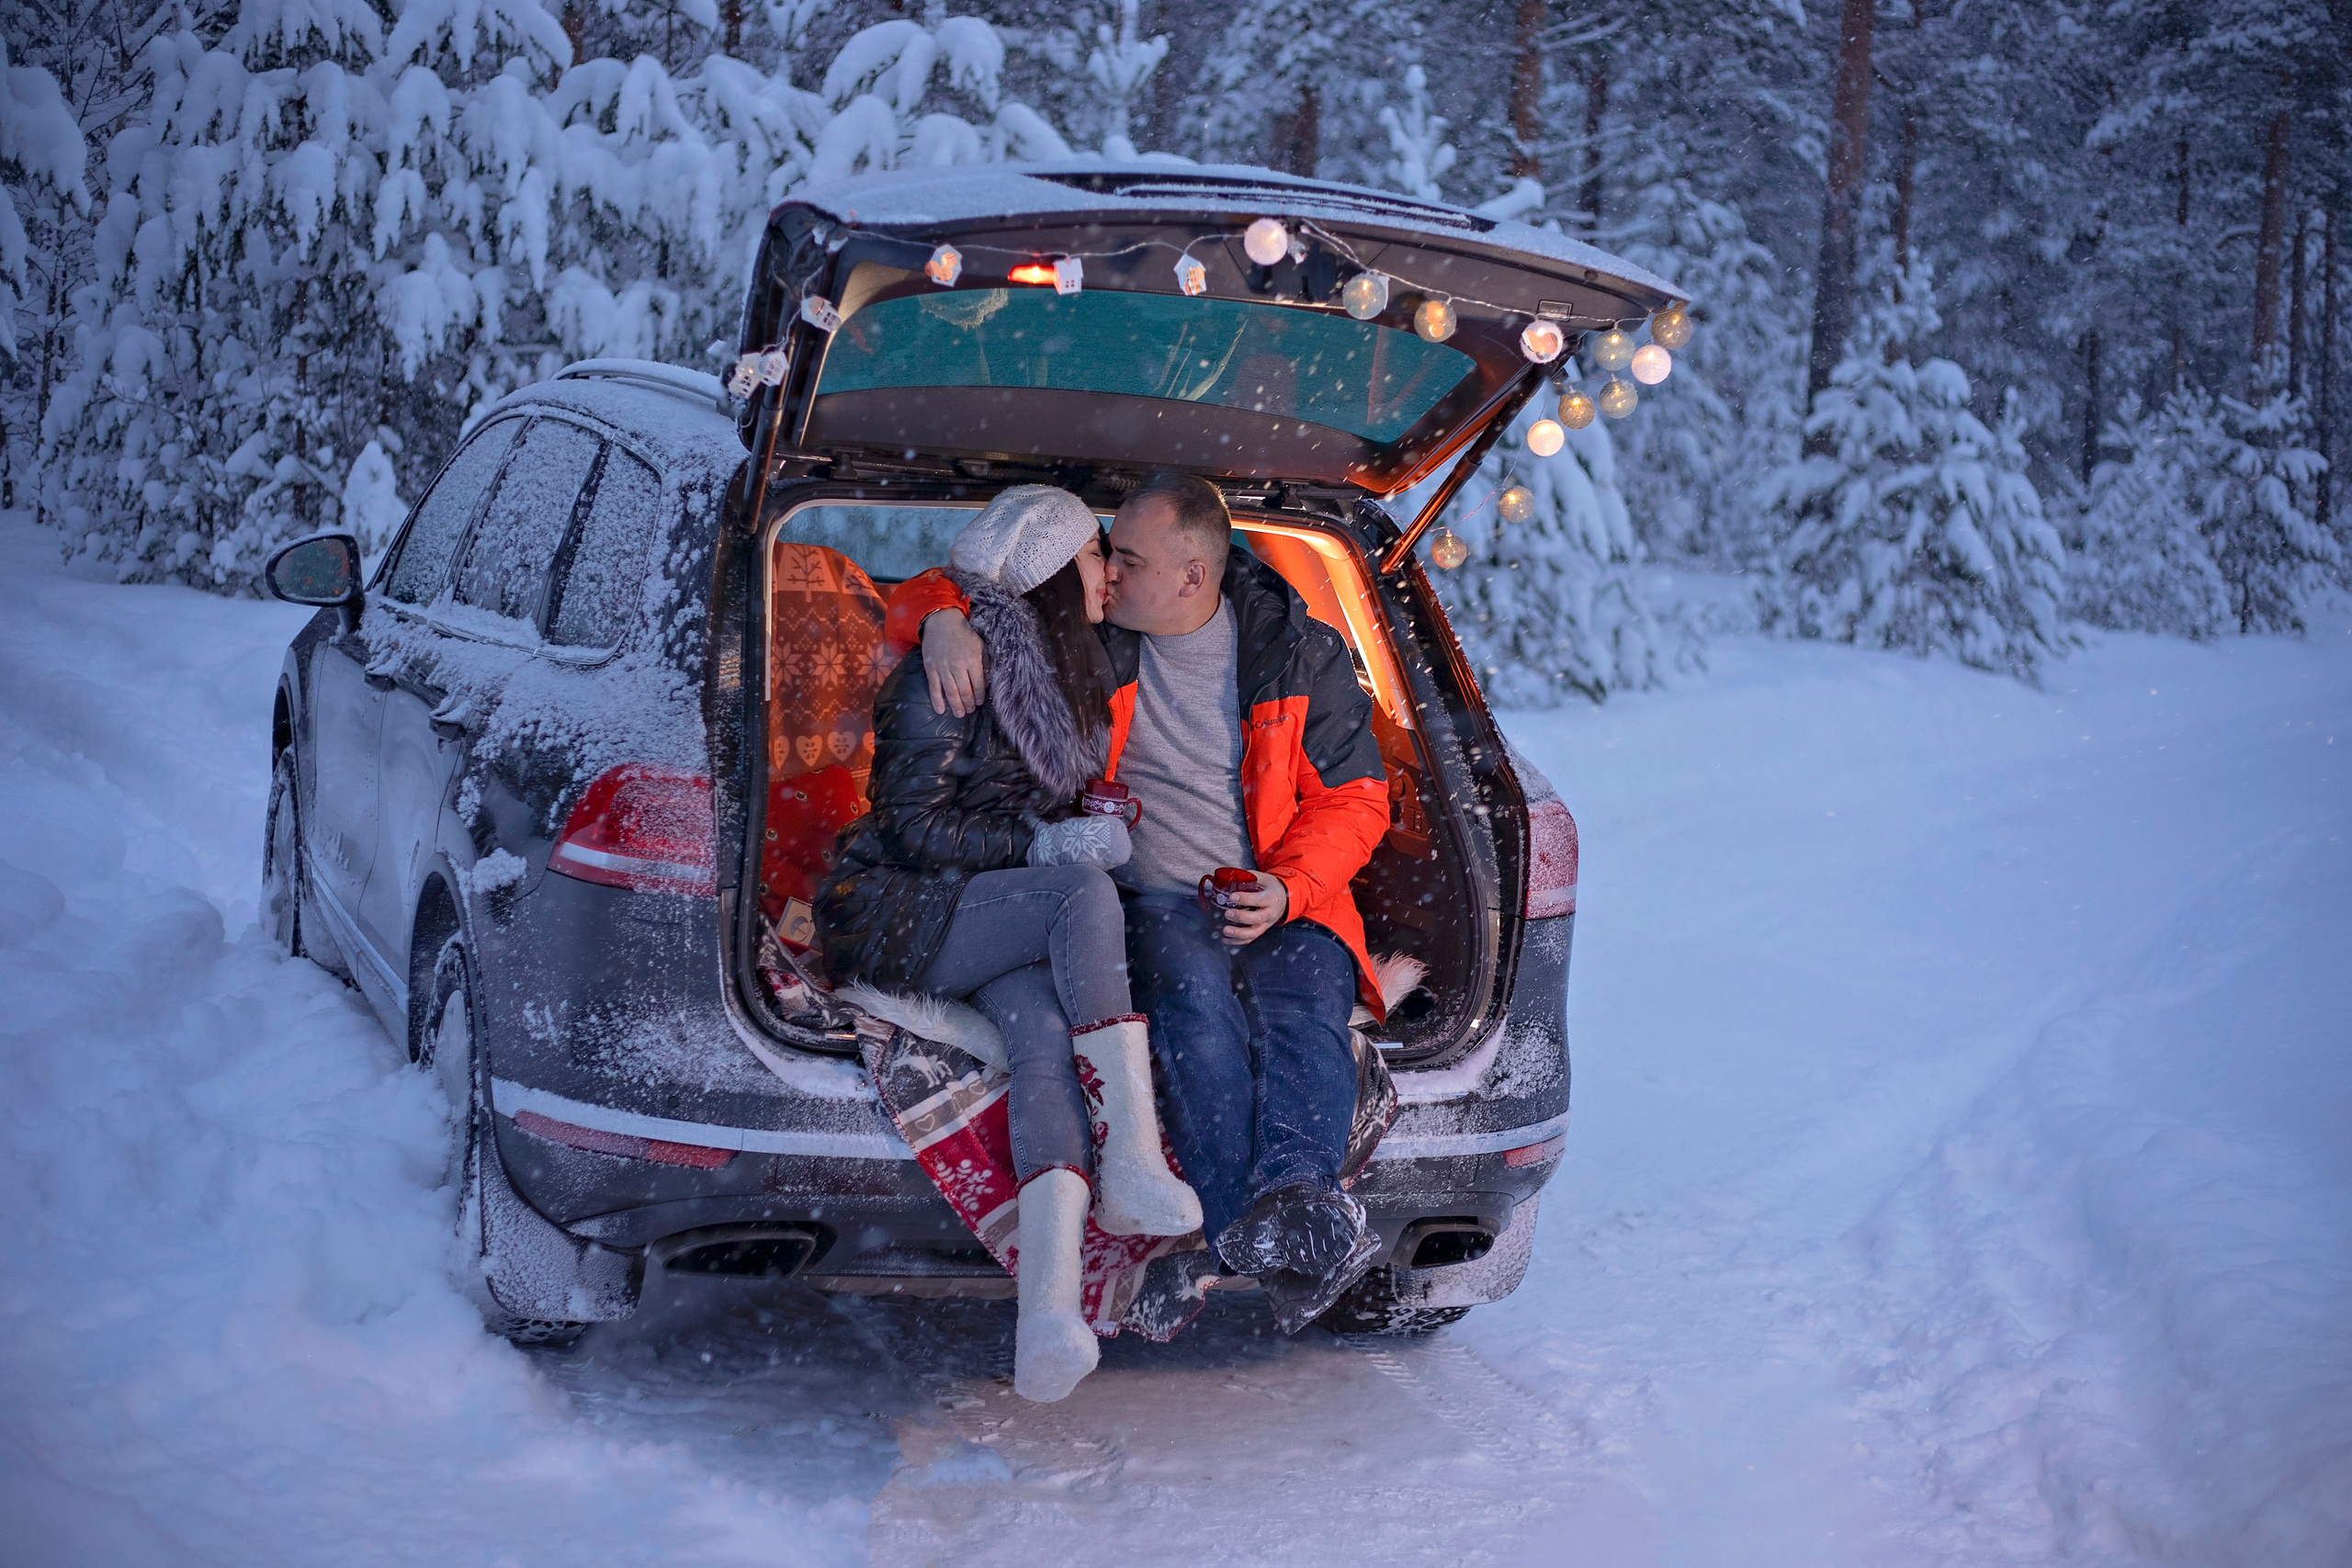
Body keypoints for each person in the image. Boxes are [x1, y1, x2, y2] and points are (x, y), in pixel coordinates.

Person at [895, 472, 1393, 1330]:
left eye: (1127, 557)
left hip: (1281, 889)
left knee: (1310, 1006)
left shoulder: (1294, 652)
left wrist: (1289, 889)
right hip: (1153, 900)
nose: (1109, 574)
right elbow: (977, 586)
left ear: (1193, 575)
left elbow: (1356, 798)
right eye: (1105, 553)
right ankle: (1242, 1227)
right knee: (1196, 1011)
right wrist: (938, 614)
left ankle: (1300, 1205)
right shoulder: (1094, 635)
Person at [814, 486, 1201, 1404]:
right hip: (903, 908)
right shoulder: (955, 667)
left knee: (1040, 1041)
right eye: (1095, 557)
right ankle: (1134, 1158)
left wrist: (1075, 827)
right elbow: (911, 827)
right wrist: (1046, 846)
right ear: (1054, 576)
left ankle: (1047, 1317)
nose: (1109, 571)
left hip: (988, 911)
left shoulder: (1070, 663)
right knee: (1078, 890)